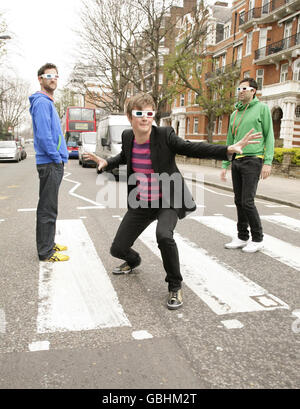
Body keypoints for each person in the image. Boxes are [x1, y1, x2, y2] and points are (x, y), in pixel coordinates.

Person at [84, 93, 261, 310]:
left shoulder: (165, 135)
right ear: (130, 117)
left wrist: (226, 150)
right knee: (117, 248)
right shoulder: (128, 136)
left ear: (153, 116)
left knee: (164, 236)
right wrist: (107, 162)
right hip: (141, 202)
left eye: (149, 113)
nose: (145, 118)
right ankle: (133, 260)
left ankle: (175, 285)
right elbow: (123, 157)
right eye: (139, 114)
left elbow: (191, 147)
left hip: (168, 199)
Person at [220, 78, 274, 253]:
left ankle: (258, 239)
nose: (240, 91)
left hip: (253, 159)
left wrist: (267, 162)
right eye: (239, 88)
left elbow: (269, 136)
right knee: (238, 201)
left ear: (253, 91)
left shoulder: (262, 109)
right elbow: (230, 140)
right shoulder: (235, 113)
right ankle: (242, 236)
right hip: (237, 160)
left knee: (247, 201)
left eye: (244, 88)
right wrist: (225, 163)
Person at [29, 63, 69, 262]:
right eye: (49, 75)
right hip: (50, 163)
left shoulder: (47, 102)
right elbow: (45, 137)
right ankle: (46, 252)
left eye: (56, 75)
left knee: (49, 206)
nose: (53, 78)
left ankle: (49, 243)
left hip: (53, 162)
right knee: (47, 208)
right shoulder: (42, 103)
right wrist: (56, 157)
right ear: (40, 78)